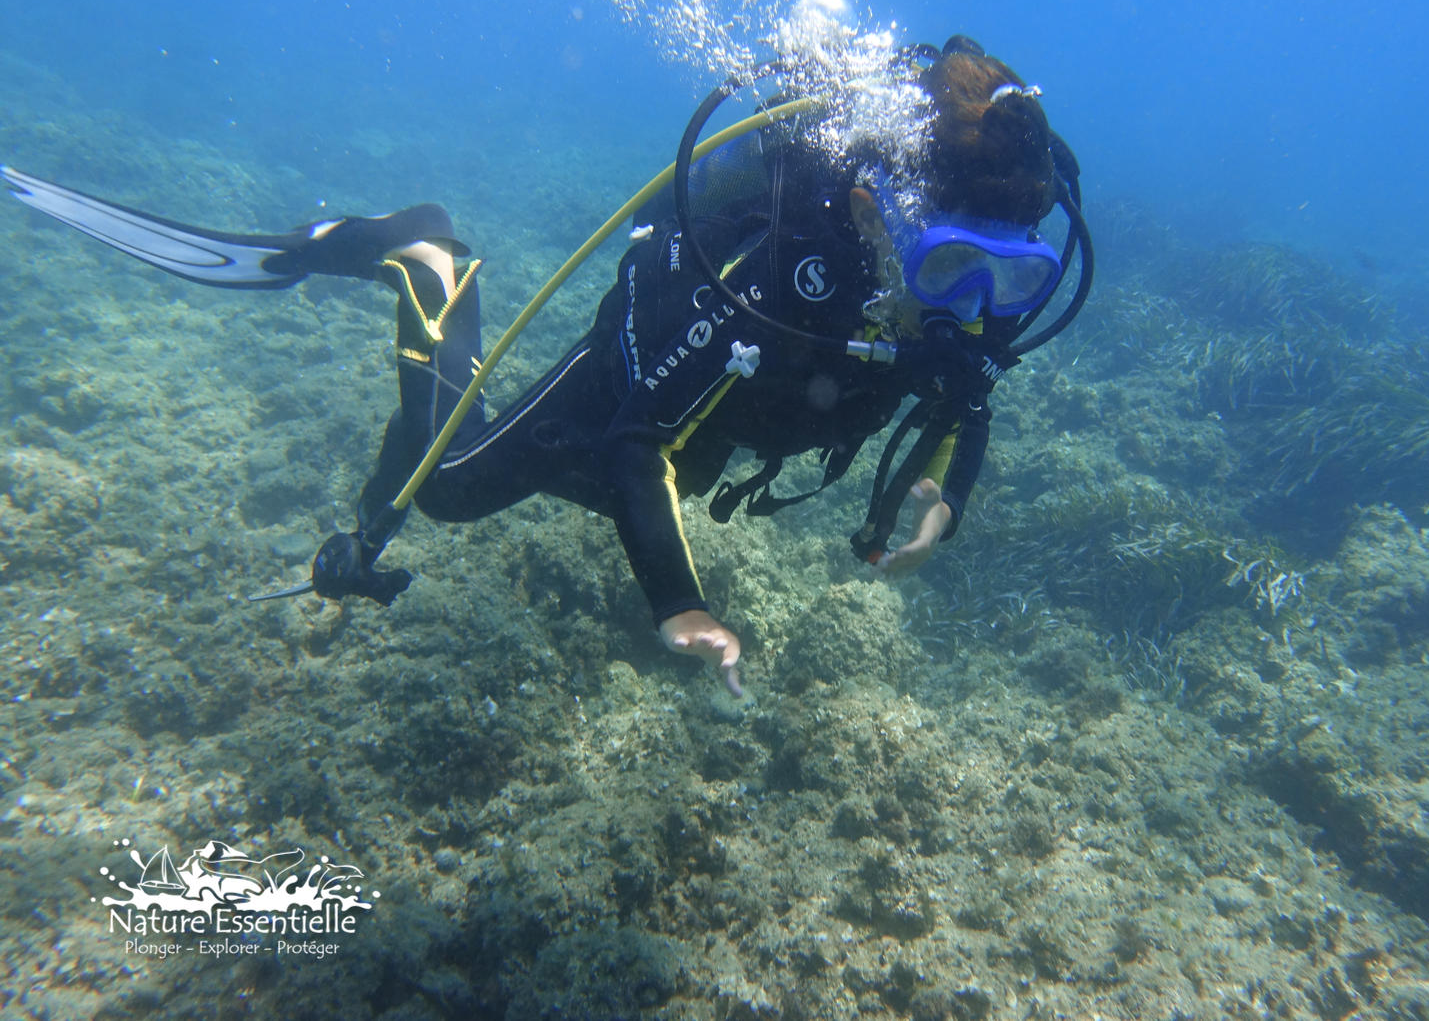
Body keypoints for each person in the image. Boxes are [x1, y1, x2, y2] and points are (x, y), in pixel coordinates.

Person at [2, 35, 1091, 697]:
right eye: (951, 265)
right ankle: (428, 257)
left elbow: (968, 388)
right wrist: (678, 605)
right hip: (639, 373)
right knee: (451, 486)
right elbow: (638, 439)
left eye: (1014, 277)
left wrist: (945, 493)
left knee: (645, 492)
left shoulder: (967, 299)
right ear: (872, 208)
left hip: (722, 418)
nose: (975, 307)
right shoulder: (776, 272)